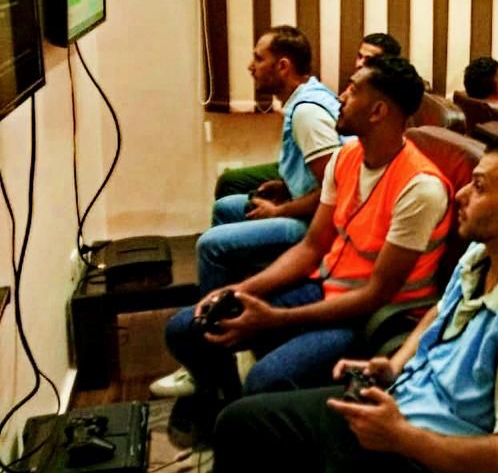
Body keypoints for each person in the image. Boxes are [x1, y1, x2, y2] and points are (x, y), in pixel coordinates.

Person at [213, 136, 498, 473]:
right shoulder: (486, 250)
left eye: (479, 187)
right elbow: (441, 311)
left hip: (423, 452)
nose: (460, 194)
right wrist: (395, 364)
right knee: (239, 424)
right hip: (404, 404)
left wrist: (401, 437)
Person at [163, 55, 453, 418]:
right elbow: (312, 245)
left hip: (369, 317)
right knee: (184, 329)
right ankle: (227, 405)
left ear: (378, 111)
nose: (341, 97)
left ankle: (248, 415)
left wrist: (275, 318)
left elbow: (375, 295)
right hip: (325, 286)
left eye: (353, 90)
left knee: (266, 380)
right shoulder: (347, 157)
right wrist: (239, 290)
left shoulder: (420, 188)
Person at [152, 26, 343, 397]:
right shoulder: (304, 98)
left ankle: (214, 363)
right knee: (227, 208)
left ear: (283, 65)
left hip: (318, 224)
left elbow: (334, 190)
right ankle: (229, 324)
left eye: (259, 58)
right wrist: (285, 187)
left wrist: (279, 211)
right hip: (306, 207)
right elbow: (317, 175)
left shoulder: (307, 113)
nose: (250, 66)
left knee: (211, 245)